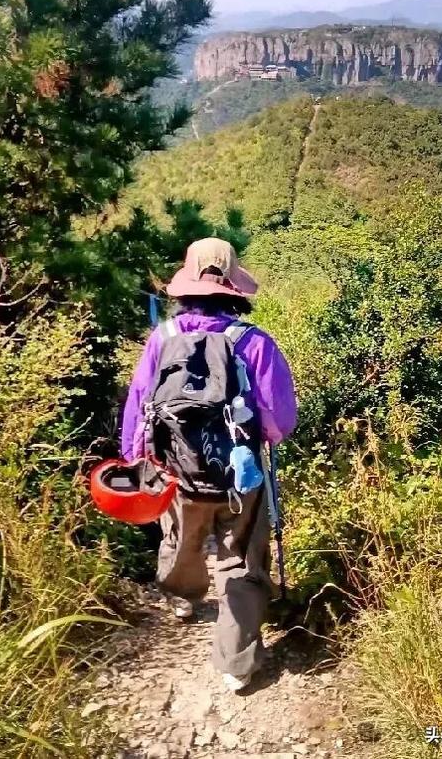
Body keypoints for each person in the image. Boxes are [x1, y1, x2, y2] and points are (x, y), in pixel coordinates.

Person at [121, 237, 297, 692]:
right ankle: (236, 664)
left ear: (185, 286)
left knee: (181, 537)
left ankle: (182, 597)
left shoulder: (162, 339)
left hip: (176, 470)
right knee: (239, 560)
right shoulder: (254, 342)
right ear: (233, 287)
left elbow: (139, 404)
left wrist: (136, 459)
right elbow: (279, 422)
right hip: (240, 475)